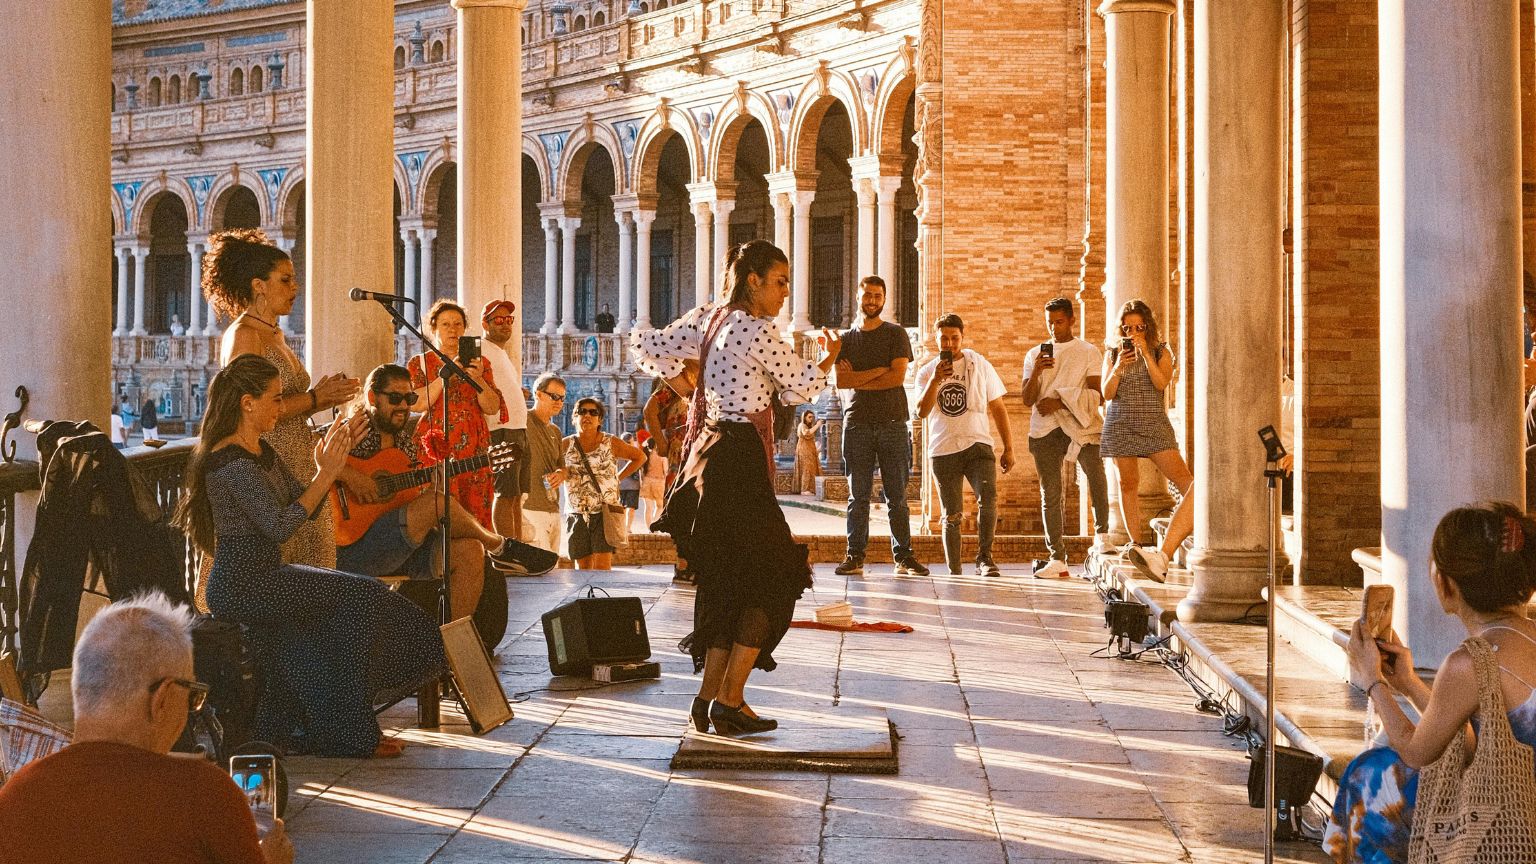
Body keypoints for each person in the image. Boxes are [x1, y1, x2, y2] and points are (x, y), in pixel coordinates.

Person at [173, 354, 445, 759]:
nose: (283, 409)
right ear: (248, 403)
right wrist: (325, 476)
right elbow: (281, 525)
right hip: (243, 585)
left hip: (268, 574)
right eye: (276, 399)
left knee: (358, 602)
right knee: (362, 599)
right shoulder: (228, 462)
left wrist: (327, 468)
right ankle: (348, 733)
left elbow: (306, 504)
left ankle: (339, 728)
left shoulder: (258, 449)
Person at [632, 239, 841, 736]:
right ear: (754, 281)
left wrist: (685, 387)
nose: (786, 293)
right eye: (780, 282)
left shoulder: (710, 318)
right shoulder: (756, 330)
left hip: (709, 454)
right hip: (740, 457)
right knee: (777, 578)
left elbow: (643, 345)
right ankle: (729, 699)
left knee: (727, 581)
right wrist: (829, 358)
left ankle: (708, 700)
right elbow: (804, 385)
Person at [0, 592, 292, 864]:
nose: (192, 708)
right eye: (192, 695)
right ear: (162, 698)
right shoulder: (203, 795)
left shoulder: (16, 796)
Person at [1325, 502, 1536, 862]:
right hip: (1520, 796)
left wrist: (1372, 681)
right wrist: (1407, 682)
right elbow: (1474, 743)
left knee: (1369, 779)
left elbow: (1417, 751)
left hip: (1513, 822)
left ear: (1445, 582)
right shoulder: (1525, 635)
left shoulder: (1471, 662)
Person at [206, 228, 361, 569]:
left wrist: (321, 399)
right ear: (258, 285)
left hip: (296, 458)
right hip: (268, 459)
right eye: (286, 280)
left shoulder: (273, 333)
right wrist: (315, 397)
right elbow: (248, 407)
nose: (295, 288)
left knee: (315, 566)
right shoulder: (245, 336)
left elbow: (282, 399)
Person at [336, 364, 537, 619]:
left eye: (409, 399)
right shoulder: (353, 430)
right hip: (355, 547)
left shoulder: (405, 443)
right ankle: (500, 547)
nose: (402, 406)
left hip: (398, 546)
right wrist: (351, 476)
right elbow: (309, 457)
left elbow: (409, 500)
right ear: (372, 397)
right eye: (395, 398)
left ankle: (448, 648)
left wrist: (436, 485)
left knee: (471, 551)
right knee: (437, 503)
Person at [833, 275, 928, 577]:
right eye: (867, 295)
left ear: (884, 299)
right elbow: (841, 380)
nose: (872, 300)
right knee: (857, 496)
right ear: (857, 298)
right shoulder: (845, 340)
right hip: (857, 422)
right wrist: (878, 371)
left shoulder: (895, 334)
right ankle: (854, 555)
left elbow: (897, 378)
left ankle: (904, 556)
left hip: (892, 423)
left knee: (896, 496)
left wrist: (861, 376)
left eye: (877, 295)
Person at [1099, 299, 1192, 583]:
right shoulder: (1113, 353)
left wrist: (1146, 356)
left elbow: (1162, 382)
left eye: (1138, 327)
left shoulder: (1162, 351)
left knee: (1186, 481)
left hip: (1153, 424)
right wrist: (1118, 367)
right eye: (1127, 328)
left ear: (1148, 326)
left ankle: (1190, 527)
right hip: (1121, 424)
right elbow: (1107, 392)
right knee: (1128, 483)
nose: (1133, 333)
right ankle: (1136, 544)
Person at [915, 313, 1015, 577]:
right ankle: (955, 571)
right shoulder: (926, 372)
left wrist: (1009, 446)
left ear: (962, 337)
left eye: (954, 338)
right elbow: (921, 412)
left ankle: (985, 558)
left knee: (988, 499)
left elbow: (998, 406)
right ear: (937, 340)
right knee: (952, 514)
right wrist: (937, 379)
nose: (950, 344)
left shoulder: (979, 365)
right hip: (943, 449)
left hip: (978, 444)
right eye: (944, 339)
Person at [1021, 297, 1111, 578]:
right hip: (1044, 429)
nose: (1054, 329)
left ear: (1072, 320)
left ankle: (1103, 536)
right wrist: (1037, 369)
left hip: (1079, 425)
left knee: (1096, 474)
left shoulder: (1088, 351)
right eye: (1049, 323)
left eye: (1059, 322)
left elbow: (1098, 395)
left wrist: (1059, 402)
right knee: (1051, 492)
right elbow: (1027, 399)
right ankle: (1057, 558)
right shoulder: (1034, 354)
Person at [407, 299, 507, 529]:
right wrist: (447, 373)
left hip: (474, 446)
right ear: (433, 329)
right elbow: (419, 403)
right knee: (437, 508)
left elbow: (492, 407)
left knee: (475, 511)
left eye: (457, 324)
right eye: (445, 324)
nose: (453, 329)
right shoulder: (419, 363)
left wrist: (478, 378)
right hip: (436, 445)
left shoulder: (481, 363)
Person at [552, 397, 645, 570]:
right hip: (577, 513)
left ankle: (600, 597)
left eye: (593, 412)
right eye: (582, 412)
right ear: (574, 417)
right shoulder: (565, 444)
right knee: (583, 568)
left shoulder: (610, 442)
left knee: (602, 567)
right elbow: (557, 469)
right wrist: (560, 474)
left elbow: (640, 457)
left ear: (600, 419)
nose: (587, 415)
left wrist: (618, 477)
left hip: (604, 512)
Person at [479, 299, 528, 541]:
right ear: (484, 324)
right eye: (498, 320)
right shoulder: (480, 349)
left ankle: (519, 548)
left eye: (509, 320)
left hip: (518, 428)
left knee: (517, 495)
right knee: (505, 493)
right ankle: (506, 551)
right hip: (501, 430)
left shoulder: (499, 352)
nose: (506, 325)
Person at [643, 374, 695, 582]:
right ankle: (684, 563)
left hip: (706, 453)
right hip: (682, 457)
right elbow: (650, 410)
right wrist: (661, 444)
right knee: (684, 508)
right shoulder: (678, 381)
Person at [521, 373, 567, 556]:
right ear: (538, 395)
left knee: (552, 571)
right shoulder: (523, 421)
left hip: (553, 510)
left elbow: (562, 467)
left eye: (562, 398)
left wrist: (561, 474)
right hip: (530, 510)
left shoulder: (556, 431)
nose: (558, 402)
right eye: (554, 396)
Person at [638, 437, 668, 531]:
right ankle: (653, 525)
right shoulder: (662, 457)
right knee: (659, 506)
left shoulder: (645, 456)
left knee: (648, 508)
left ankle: (649, 528)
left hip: (647, 482)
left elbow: (641, 471)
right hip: (659, 482)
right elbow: (666, 471)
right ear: (656, 445)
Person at [618, 432, 644, 532]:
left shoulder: (617, 452)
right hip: (633, 485)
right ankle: (628, 527)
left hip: (620, 484)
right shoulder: (636, 452)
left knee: (621, 508)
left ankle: (622, 527)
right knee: (631, 507)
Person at [794, 410, 823, 495]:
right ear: (804, 417)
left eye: (812, 417)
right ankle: (804, 489)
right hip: (804, 450)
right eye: (809, 417)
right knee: (806, 468)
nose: (811, 419)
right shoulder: (802, 425)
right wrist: (817, 425)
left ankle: (809, 488)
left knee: (810, 468)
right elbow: (807, 433)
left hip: (809, 449)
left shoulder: (807, 426)